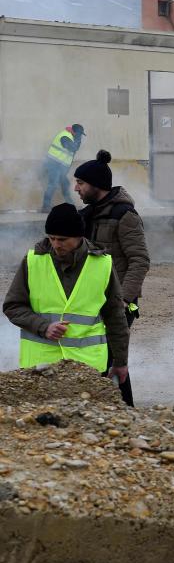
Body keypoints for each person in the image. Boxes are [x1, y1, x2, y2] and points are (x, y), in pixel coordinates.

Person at [3, 204, 130, 399]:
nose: (55, 244)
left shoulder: (103, 265)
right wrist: (43, 327)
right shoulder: (32, 261)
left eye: (62, 239)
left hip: (87, 369)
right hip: (40, 368)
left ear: (79, 236)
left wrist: (120, 361)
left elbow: (115, 316)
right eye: (51, 238)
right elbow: (13, 306)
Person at [73, 149, 149, 405]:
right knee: (97, 358)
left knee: (113, 357)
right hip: (93, 300)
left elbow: (140, 260)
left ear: (96, 185)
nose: (76, 189)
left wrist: (123, 300)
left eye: (80, 183)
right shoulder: (88, 214)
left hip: (121, 303)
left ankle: (126, 412)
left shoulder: (124, 215)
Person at [42, 123, 85, 211]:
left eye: (81, 134)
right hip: (54, 164)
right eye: (79, 134)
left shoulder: (71, 137)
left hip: (60, 166)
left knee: (65, 184)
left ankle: (71, 206)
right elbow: (73, 148)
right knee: (53, 184)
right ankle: (45, 207)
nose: (79, 136)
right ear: (73, 131)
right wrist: (78, 139)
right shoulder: (65, 136)